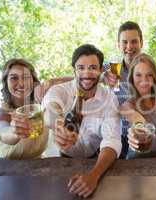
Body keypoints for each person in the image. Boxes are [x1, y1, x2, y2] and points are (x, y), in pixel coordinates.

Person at [43, 44, 121, 198]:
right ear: (74, 70)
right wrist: (59, 126)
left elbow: (112, 141)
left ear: (100, 71)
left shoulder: (110, 98)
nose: (87, 73)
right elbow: (50, 109)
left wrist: (94, 175)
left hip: (95, 161)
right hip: (59, 160)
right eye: (81, 68)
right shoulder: (60, 90)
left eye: (93, 67)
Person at [103, 21, 156, 158]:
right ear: (118, 44)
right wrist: (51, 82)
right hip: (121, 135)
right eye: (124, 42)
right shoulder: (113, 69)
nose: (129, 46)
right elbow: (85, 74)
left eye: (134, 42)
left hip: (151, 138)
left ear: (141, 43)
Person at [0, 58, 72, 159]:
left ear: (33, 80)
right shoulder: (1, 115)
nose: (22, 83)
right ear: (6, 82)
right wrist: (15, 131)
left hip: (39, 167)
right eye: (14, 78)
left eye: (26, 77)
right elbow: (3, 132)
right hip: (8, 170)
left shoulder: (40, 106)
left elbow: (79, 81)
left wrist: (52, 82)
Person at [120, 53, 156, 159]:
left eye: (149, 75)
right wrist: (139, 130)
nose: (144, 80)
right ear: (132, 78)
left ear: (154, 77)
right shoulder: (127, 105)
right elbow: (138, 121)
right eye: (138, 75)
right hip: (138, 159)